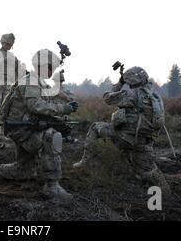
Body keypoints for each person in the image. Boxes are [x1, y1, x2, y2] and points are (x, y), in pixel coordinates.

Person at [0, 49, 78, 199]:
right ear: (42, 65)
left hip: (26, 128)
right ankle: (52, 186)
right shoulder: (31, 81)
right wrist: (63, 109)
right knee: (51, 136)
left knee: (25, 171)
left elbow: (53, 94)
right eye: (50, 66)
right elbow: (36, 106)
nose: (52, 70)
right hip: (22, 130)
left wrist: (68, 101)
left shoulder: (38, 81)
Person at [73, 66, 171, 195]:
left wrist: (120, 83)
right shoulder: (155, 96)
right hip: (145, 142)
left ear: (130, 80)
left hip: (126, 139)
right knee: (149, 172)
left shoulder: (131, 94)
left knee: (95, 127)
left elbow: (107, 97)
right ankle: (165, 196)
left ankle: (85, 162)